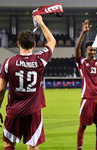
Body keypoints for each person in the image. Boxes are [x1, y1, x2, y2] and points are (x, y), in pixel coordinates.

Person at [0, 15, 56, 150]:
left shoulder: (8, 62)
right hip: (34, 112)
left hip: (13, 111)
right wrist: (41, 22)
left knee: (9, 143)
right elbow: (52, 41)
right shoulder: (40, 60)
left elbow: (1, 90)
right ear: (34, 44)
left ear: (18, 43)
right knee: (32, 145)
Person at [75, 19, 97, 150]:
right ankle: (79, 148)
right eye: (91, 50)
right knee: (83, 126)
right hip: (87, 100)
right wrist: (83, 33)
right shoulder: (81, 62)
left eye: (95, 50)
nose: (93, 52)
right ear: (85, 50)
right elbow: (77, 48)